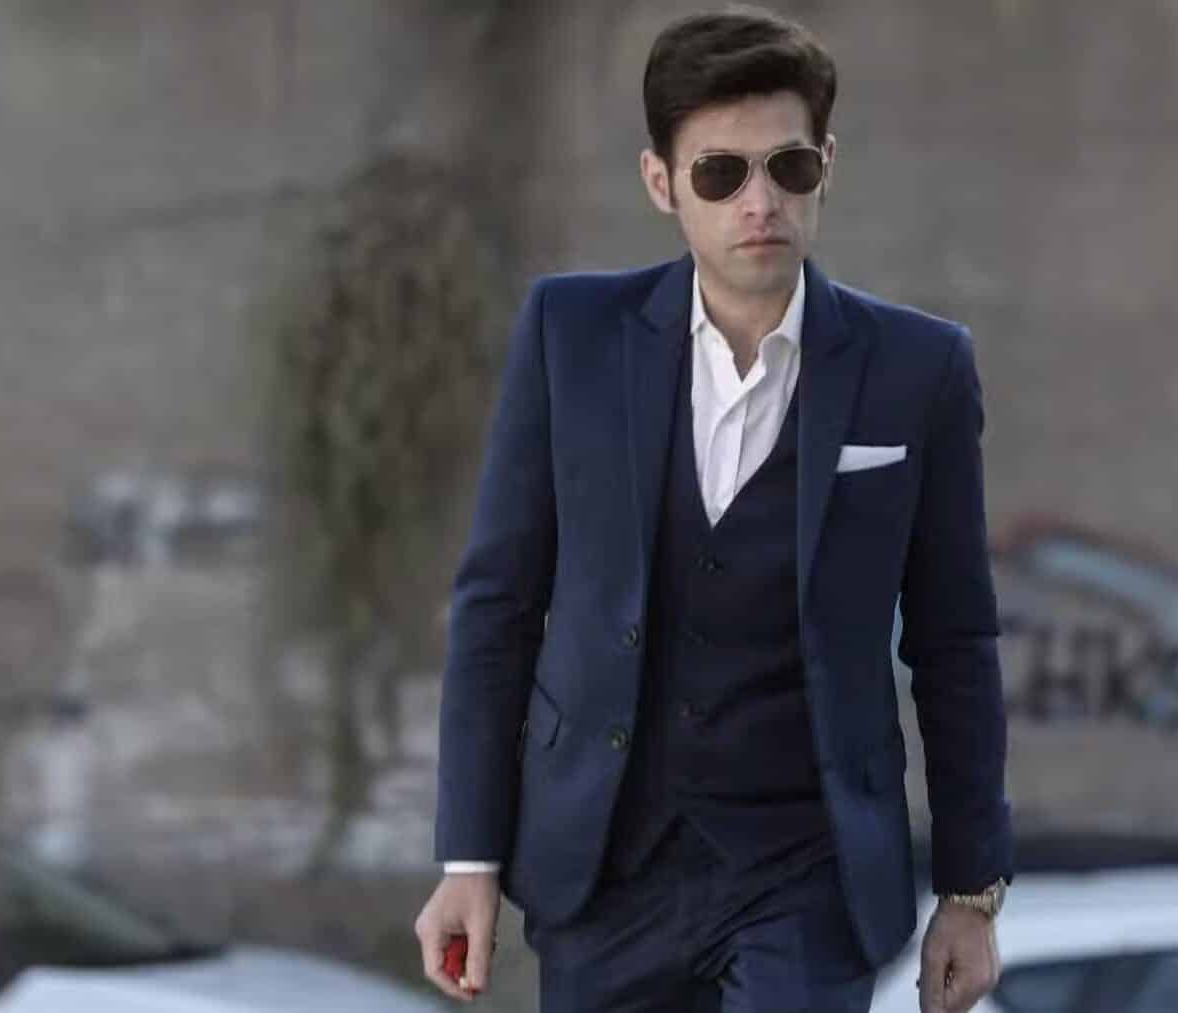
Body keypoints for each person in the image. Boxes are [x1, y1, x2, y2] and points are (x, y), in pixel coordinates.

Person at [414, 7, 1012, 1011]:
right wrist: (467, 856)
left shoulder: (919, 368)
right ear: (662, 182)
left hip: (806, 870)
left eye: (789, 167)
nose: (760, 201)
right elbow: (498, 606)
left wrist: (972, 888)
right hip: (606, 870)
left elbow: (956, 639)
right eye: (721, 173)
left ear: (827, 165)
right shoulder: (571, 335)